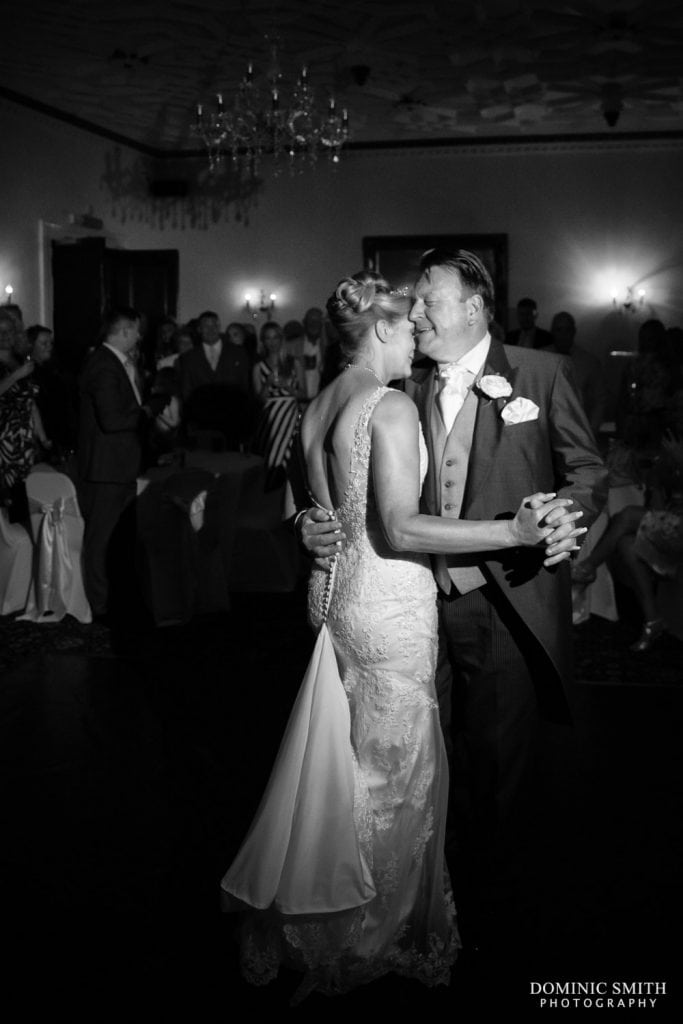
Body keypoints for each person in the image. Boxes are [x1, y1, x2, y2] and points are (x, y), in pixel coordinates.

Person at [220, 270, 583, 1001]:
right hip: (390, 605)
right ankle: (366, 930)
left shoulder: (315, 403)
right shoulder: (386, 404)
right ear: (381, 330)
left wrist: (312, 526)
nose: (416, 327)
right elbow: (398, 523)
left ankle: (324, 907)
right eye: (407, 318)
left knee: (349, 762)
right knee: (394, 775)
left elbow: (314, 502)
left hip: (340, 600)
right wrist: (511, 530)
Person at [300, 250, 608, 951]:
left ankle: (493, 911)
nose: (413, 315)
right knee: (419, 766)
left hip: (505, 604)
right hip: (413, 605)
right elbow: (352, 476)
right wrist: (310, 522)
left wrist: (564, 516)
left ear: (473, 304)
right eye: (408, 308)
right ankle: (425, 899)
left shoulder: (539, 372)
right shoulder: (397, 381)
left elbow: (587, 472)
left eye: (427, 301)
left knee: (496, 769)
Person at [77, 307, 170, 621]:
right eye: (136, 330)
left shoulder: (117, 363)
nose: (140, 336)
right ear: (124, 331)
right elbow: (113, 420)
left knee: (119, 538)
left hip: (120, 465)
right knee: (101, 539)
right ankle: (100, 607)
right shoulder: (103, 365)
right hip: (105, 469)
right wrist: (148, 411)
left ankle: (116, 599)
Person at [572, 430, 683, 651]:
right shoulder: (663, 465)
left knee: (628, 515)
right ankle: (653, 620)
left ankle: (587, 568)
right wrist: (658, 474)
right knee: (627, 545)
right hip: (671, 527)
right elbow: (657, 509)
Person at [543, 311, 607, 438]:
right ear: (552, 332)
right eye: (559, 330)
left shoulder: (589, 362)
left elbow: (600, 399)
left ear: (573, 332)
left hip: (578, 431)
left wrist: (591, 431)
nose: (563, 335)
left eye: (567, 330)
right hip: (546, 430)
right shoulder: (541, 358)